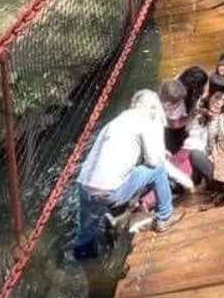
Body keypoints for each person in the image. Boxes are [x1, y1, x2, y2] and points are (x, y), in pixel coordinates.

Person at [72, 90, 192, 259]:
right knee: (157, 170)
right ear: (151, 108)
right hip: (109, 191)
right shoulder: (144, 122)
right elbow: (152, 161)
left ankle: (84, 259)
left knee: (85, 232)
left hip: (84, 187)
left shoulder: (114, 122)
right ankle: (164, 217)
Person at [184, 91, 224, 186]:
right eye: (217, 97)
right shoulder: (198, 114)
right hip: (185, 152)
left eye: (223, 100)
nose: (218, 102)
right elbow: (187, 130)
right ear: (210, 98)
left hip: (202, 157)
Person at [159, 79, 189, 153]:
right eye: (178, 104)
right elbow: (175, 125)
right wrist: (189, 120)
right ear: (168, 104)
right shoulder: (169, 112)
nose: (181, 103)